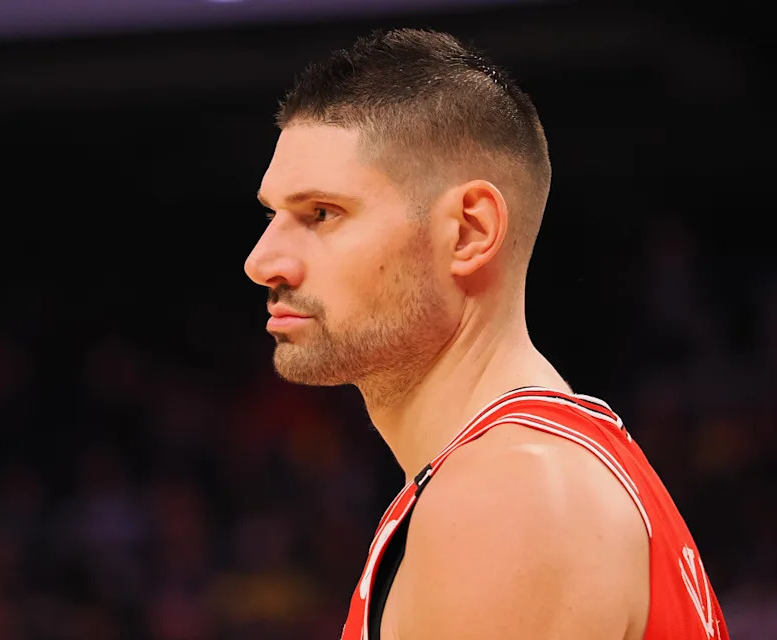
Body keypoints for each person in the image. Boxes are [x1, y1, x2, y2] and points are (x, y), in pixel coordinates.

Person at [243, 27, 730, 640]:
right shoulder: (525, 469)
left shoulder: (509, 496)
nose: (263, 261)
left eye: (321, 214)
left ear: (470, 231)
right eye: (272, 215)